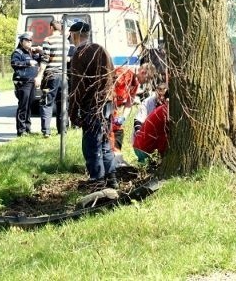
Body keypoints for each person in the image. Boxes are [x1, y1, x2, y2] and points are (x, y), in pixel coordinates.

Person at [68, 21, 118, 190]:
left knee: (91, 143)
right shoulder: (102, 50)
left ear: (75, 35)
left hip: (93, 104)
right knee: (104, 140)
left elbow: (77, 87)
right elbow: (114, 76)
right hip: (107, 102)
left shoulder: (80, 54)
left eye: (70, 36)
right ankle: (111, 177)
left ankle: (97, 181)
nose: (70, 39)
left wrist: (73, 112)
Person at [111, 62, 156, 155]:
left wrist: (123, 117)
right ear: (143, 72)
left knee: (119, 130)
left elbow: (129, 103)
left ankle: (116, 156)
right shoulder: (123, 74)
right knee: (109, 132)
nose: (145, 82)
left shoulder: (135, 84)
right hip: (108, 106)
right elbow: (109, 92)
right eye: (146, 79)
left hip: (115, 109)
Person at [11, 31, 42, 136]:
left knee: (29, 106)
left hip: (31, 81)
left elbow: (41, 59)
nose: (29, 42)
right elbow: (14, 63)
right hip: (23, 82)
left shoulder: (31, 52)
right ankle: (21, 130)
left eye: (30, 41)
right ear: (21, 41)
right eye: (27, 41)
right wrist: (27, 63)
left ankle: (28, 128)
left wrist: (40, 52)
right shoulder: (18, 52)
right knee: (23, 106)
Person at [38, 20, 66, 138]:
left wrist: (39, 76)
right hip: (64, 76)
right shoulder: (66, 41)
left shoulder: (47, 40)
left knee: (47, 103)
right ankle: (62, 130)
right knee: (61, 104)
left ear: (51, 27)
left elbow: (45, 59)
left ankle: (46, 131)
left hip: (51, 75)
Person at [133, 97, 169, 164]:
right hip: (143, 151)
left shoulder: (162, 108)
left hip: (139, 146)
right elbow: (163, 138)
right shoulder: (165, 113)